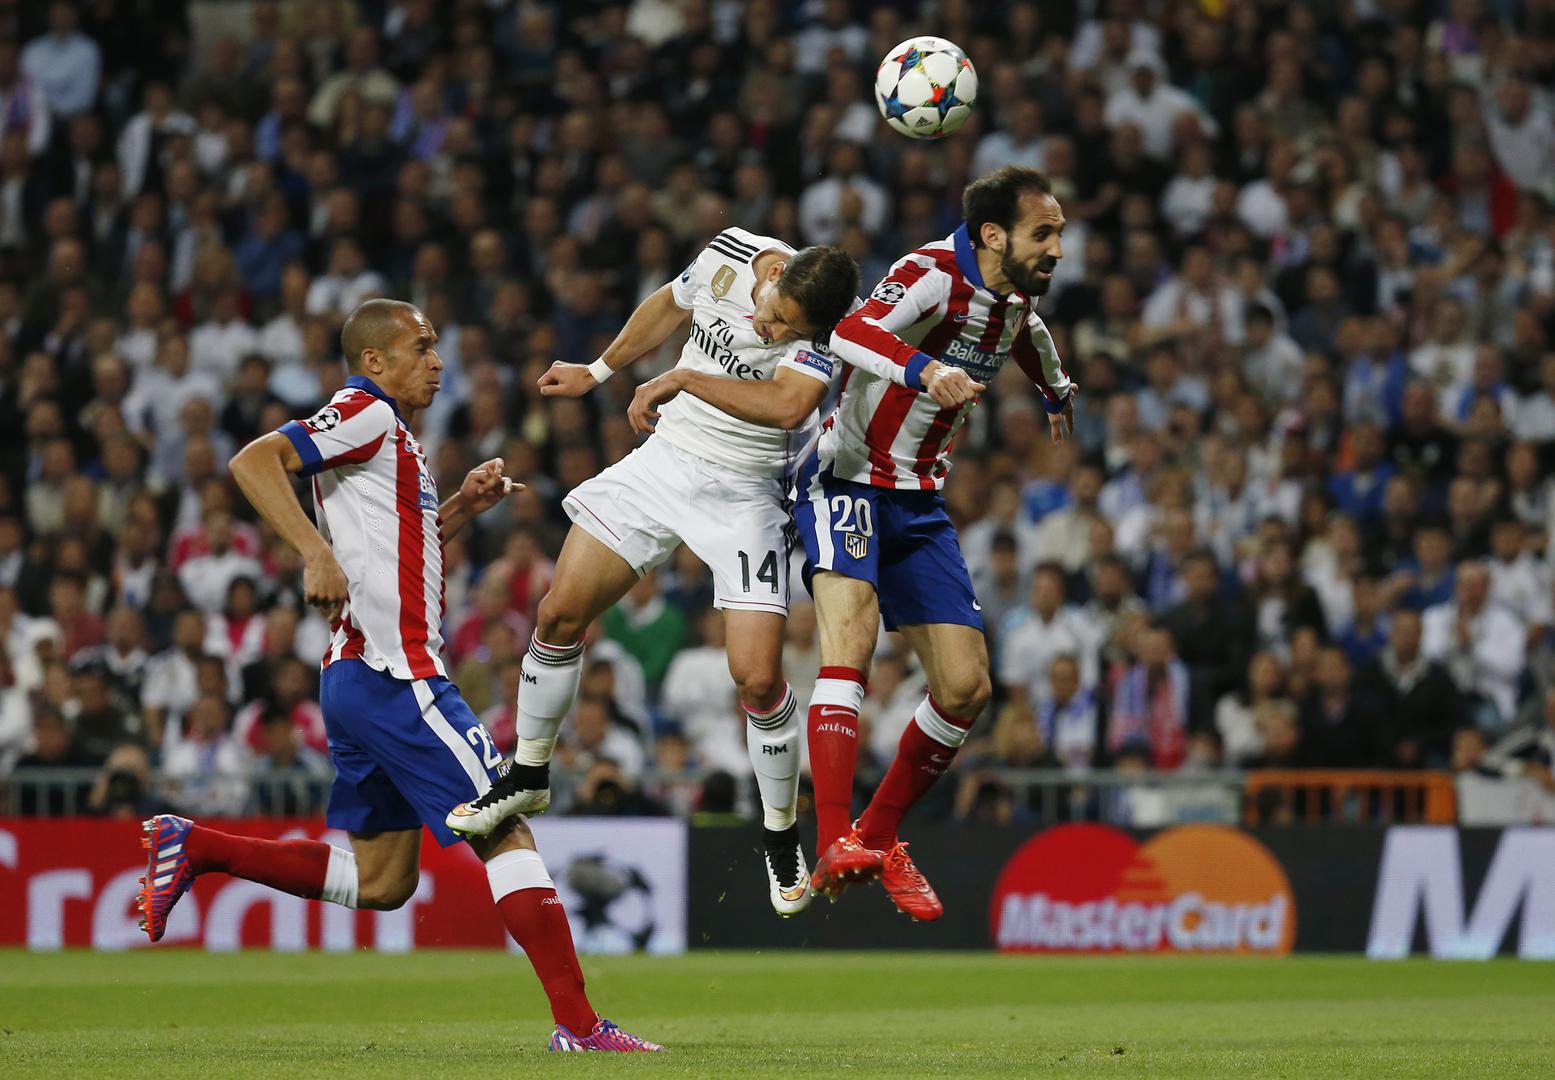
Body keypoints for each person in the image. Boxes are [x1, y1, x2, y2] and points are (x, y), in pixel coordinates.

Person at [136, 299, 660, 1053]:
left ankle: (199, 847)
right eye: (422, 347)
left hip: (356, 676)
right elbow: (252, 460)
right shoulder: (366, 412)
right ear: (375, 360)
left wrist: (462, 506)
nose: (438, 361)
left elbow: (399, 549)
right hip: (397, 673)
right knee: (503, 825)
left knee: (384, 882)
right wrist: (313, 552)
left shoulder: (389, 436)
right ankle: (580, 1027)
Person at [443, 231, 859, 919]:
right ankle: (529, 773)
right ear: (775, 274)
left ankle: (781, 831)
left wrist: (682, 377)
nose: (776, 332)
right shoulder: (732, 252)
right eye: (777, 316)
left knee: (758, 678)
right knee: (558, 614)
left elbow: (789, 406)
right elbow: (670, 302)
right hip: (664, 461)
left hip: (748, 491)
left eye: (791, 330)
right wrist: (598, 370)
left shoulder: (825, 327)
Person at [798, 166, 1075, 920]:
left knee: (966, 688)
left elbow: (1023, 333)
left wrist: (1054, 388)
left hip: (918, 501)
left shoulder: (1013, 295)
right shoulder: (928, 272)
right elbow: (850, 332)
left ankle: (878, 836)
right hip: (846, 478)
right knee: (850, 644)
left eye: (1058, 233)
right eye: (1043, 233)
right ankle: (831, 841)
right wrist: (927, 372)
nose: (1057, 248)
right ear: (993, 236)